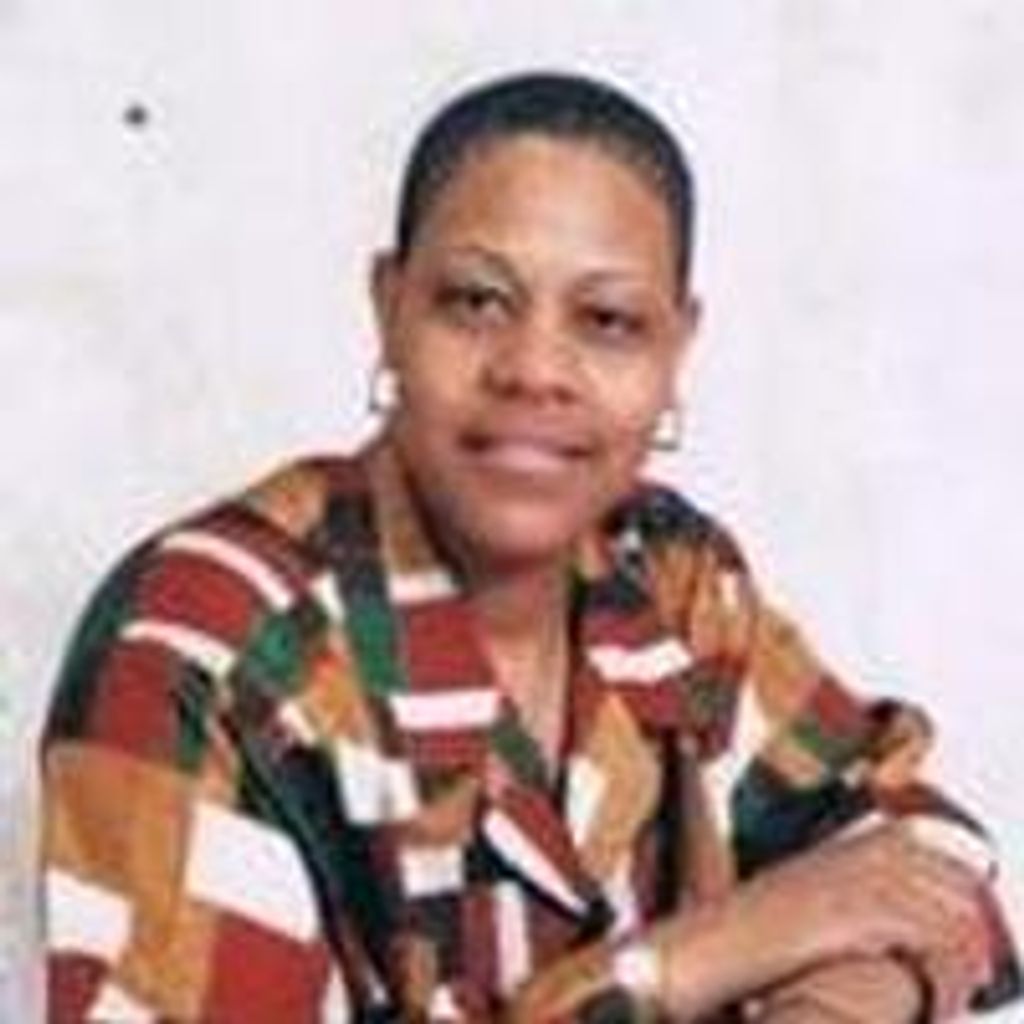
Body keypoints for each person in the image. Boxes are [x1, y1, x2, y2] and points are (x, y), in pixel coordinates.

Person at [39, 71, 1020, 1022]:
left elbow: (930, 865)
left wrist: (833, 1003)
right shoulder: (202, 645)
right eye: (476, 301)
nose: (535, 369)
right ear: (388, 307)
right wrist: (693, 959)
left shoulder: (669, 578)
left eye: (608, 321)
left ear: (676, 347)